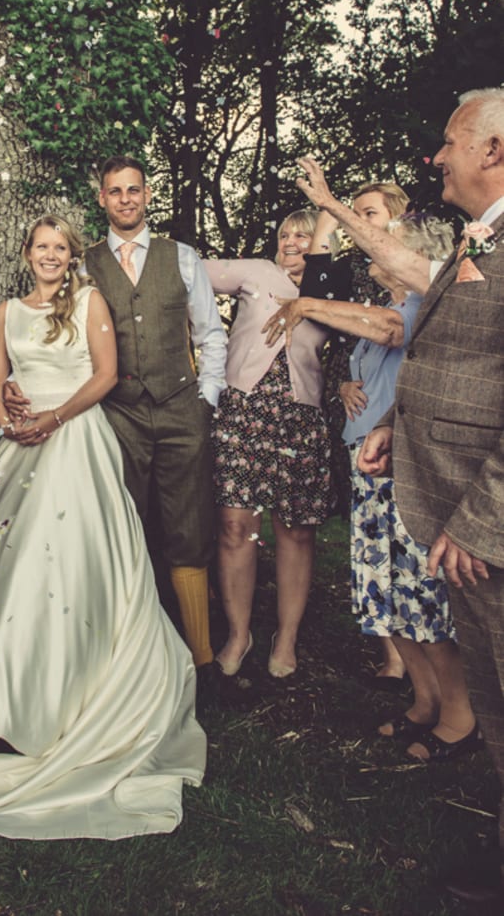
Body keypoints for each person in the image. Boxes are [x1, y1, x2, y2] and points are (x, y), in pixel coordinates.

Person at [0, 216, 207, 839]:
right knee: (14, 568)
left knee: (74, 562)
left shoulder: (88, 301)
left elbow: (105, 375)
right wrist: (7, 418)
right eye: (41, 247)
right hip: (21, 445)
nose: (50, 256)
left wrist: (53, 416)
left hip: (76, 439)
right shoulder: (6, 310)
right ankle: (8, 697)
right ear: (27, 253)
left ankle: (78, 690)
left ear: (69, 255)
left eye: (60, 248)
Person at [358, 88, 504, 909]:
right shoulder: (477, 240)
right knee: (493, 693)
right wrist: (397, 428)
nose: (435, 156)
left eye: (450, 142)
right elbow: (461, 364)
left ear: (491, 150)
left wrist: (481, 522)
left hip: (488, 530)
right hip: (451, 507)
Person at [264, 215, 476, 759]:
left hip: (408, 466)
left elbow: (389, 331)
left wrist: (307, 303)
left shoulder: (421, 306)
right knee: (384, 594)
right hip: (368, 463)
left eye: (388, 244)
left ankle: (459, 716)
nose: (374, 251)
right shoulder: (381, 304)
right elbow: (364, 354)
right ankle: (424, 702)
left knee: (420, 595)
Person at [79, 156, 226, 707]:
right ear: (102, 199)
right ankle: (133, 658)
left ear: (147, 195)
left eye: (133, 190)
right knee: (125, 530)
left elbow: (211, 333)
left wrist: (205, 399)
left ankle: (203, 658)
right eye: (114, 191)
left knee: (190, 527)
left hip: (181, 409)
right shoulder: (85, 266)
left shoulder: (182, 258)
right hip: (118, 416)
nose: (125, 200)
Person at [205, 210, 330, 679]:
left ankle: (287, 637)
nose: (292, 242)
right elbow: (187, 271)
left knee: (296, 529)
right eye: (284, 234)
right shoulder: (256, 272)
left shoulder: (330, 287)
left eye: (304, 235)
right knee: (237, 525)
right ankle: (239, 634)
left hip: (300, 418)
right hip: (244, 411)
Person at [298, 180, 409, 688]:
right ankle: (394, 653)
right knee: (372, 547)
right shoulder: (363, 285)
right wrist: (341, 379)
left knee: (407, 550)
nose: (356, 222)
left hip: (403, 435)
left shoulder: (420, 283)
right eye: (353, 215)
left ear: (398, 221)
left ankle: (423, 651)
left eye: (368, 213)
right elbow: (320, 294)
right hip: (360, 432)